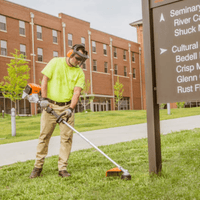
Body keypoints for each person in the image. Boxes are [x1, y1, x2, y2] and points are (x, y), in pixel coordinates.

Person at [30, 44, 88, 178]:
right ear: (70, 54)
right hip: (50, 105)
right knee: (44, 136)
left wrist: (70, 109)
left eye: (81, 60)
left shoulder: (79, 73)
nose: (79, 62)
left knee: (66, 138)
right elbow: (44, 81)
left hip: (66, 108)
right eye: (77, 58)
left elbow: (76, 93)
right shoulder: (55, 62)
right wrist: (44, 99)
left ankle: (62, 168)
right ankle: (37, 167)